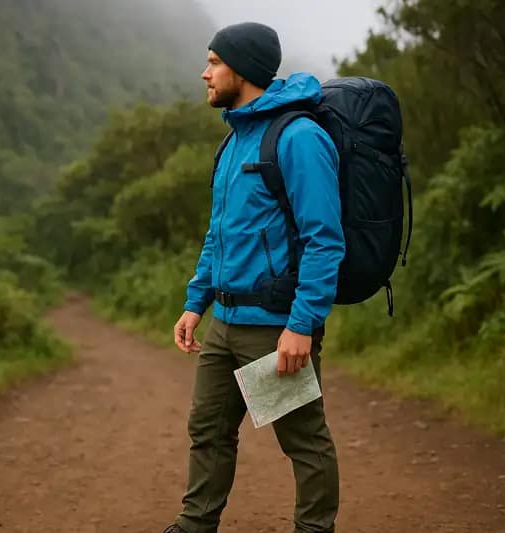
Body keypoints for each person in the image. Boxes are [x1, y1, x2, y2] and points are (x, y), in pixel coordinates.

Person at [163, 21, 345, 533]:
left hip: (273, 327)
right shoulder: (233, 142)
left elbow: (323, 239)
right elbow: (219, 233)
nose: (205, 73)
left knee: (301, 441)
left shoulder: (298, 138)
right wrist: (196, 302)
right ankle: (195, 525)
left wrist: (302, 324)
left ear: (241, 69)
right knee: (208, 431)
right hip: (224, 322)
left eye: (214, 62)